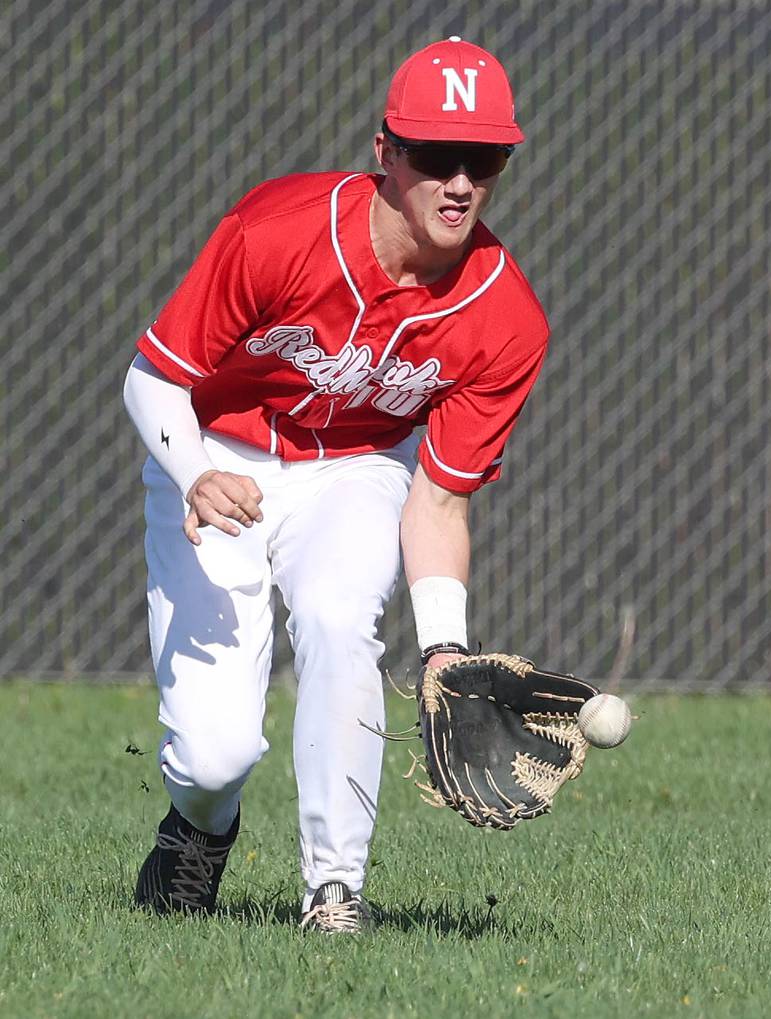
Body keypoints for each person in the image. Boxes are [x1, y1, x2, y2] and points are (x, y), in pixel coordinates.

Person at [123, 36, 549, 933]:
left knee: (336, 618)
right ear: (386, 152)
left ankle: (334, 891)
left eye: (486, 159)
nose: (460, 182)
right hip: (218, 460)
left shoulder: (504, 315)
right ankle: (199, 831)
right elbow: (152, 378)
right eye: (436, 156)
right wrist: (194, 473)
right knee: (214, 755)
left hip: (357, 467)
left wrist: (445, 652)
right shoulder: (278, 232)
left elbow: (438, 497)